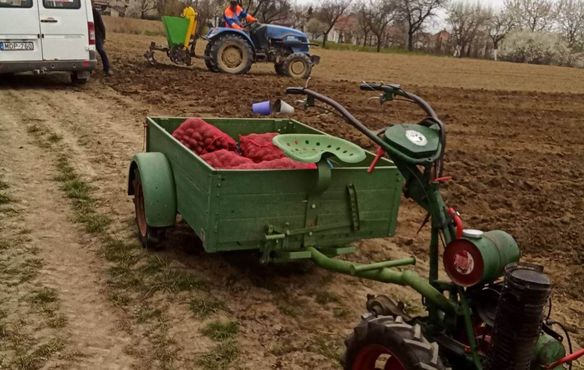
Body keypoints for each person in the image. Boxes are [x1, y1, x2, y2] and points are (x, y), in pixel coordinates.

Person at [91, 6, 111, 76]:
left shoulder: (94, 12)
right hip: (86, 34)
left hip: (96, 34)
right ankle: (90, 69)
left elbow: (101, 25)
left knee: (101, 50)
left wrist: (103, 37)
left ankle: (107, 68)